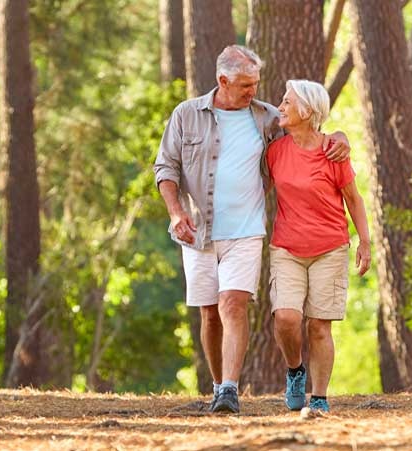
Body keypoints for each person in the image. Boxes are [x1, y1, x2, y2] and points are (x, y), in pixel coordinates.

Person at [153, 46, 349, 414]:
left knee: (233, 304)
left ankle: (229, 389)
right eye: (245, 85)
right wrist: (176, 212)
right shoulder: (187, 115)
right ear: (222, 80)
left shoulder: (268, 118)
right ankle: (217, 386)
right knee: (209, 313)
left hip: (245, 232)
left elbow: (310, 131)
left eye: (256, 83)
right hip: (197, 233)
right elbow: (166, 168)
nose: (253, 92)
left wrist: (340, 135)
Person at [266, 79, 371, 417]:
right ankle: (295, 371)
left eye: (287, 102)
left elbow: (353, 199)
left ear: (307, 111)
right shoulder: (275, 152)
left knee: (319, 326)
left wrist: (365, 241)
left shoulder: (333, 152)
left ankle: (320, 396)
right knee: (286, 317)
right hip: (287, 249)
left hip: (330, 248)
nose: (280, 107)